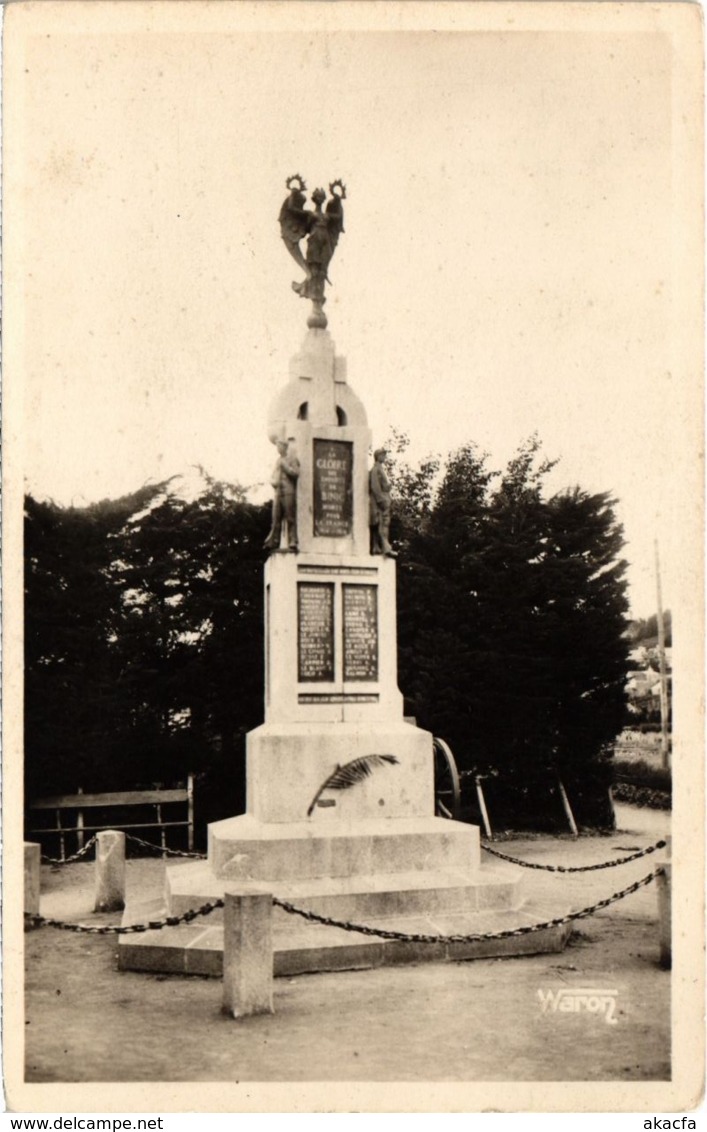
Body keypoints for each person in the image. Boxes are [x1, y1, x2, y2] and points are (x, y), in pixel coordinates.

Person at [264, 438, 300, 552]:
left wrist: (285, 465)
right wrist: (272, 481)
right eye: (277, 446)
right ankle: (273, 542)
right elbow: (273, 475)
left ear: (284, 447)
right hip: (278, 491)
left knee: (290, 517)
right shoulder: (277, 460)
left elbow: (295, 473)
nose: (278, 449)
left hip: (288, 490)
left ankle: (293, 541)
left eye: (279, 446)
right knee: (276, 518)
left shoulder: (291, 459)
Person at [369, 448, 396, 557]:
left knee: (379, 525)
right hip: (379, 502)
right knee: (383, 524)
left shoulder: (379, 468)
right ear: (378, 456)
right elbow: (375, 486)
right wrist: (381, 501)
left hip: (381, 500)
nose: (385, 457)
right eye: (383, 455)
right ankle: (386, 548)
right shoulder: (376, 469)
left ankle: (376, 547)